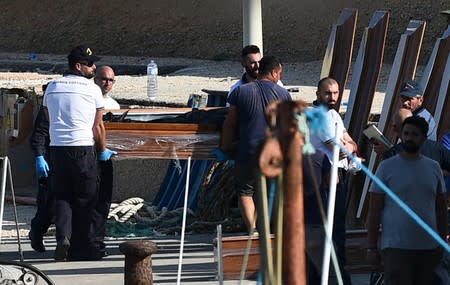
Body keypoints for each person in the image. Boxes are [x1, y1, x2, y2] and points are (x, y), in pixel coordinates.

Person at [43, 45, 116, 261]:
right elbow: (98, 127)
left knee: (63, 196)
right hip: (83, 148)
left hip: (57, 148)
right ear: (78, 66)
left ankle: (63, 238)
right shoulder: (91, 89)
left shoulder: (52, 86)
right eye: (90, 64)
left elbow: (47, 116)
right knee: (86, 198)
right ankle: (82, 249)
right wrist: (102, 151)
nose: (94, 67)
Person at [367, 116, 447, 285]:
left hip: (428, 250)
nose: (409, 138)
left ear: (424, 138)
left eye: (414, 134)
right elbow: (374, 210)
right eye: (406, 134)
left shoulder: (434, 168)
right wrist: (371, 247)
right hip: (396, 249)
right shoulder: (386, 167)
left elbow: (441, 210)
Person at [219, 55, 291, 232]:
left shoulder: (240, 91)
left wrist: (225, 146)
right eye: (279, 74)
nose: (279, 77)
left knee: (245, 191)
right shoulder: (283, 94)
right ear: (274, 72)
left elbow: (230, 122)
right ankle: (275, 230)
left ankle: (252, 230)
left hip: (248, 151)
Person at [310, 77, 357, 285]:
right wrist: (346, 147)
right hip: (325, 180)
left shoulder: (334, 114)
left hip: (338, 177)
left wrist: (348, 146)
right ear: (319, 94)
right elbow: (337, 147)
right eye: (328, 93)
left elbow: (351, 143)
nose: (333, 97)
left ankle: (337, 274)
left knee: (337, 229)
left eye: (336, 93)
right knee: (326, 229)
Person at [28, 83, 53, 253]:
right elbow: (38, 135)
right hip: (50, 160)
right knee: (47, 204)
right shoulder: (47, 112)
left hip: (67, 159)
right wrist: (39, 157)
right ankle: (37, 231)